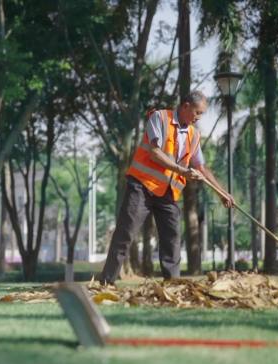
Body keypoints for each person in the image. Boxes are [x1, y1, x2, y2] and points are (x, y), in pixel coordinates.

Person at [100, 91, 234, 284]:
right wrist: (182, 170)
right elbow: (155, 152)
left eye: (202, 114)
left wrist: (222, 193)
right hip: (142, 186)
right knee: (125, 233)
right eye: (198, 112)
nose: (199, 117)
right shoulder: (160, 118)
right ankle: (106, 282)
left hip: (168, 193)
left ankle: (172, 286)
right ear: (186, 106)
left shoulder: (194, 135)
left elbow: (201, 167)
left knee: (172, 239)